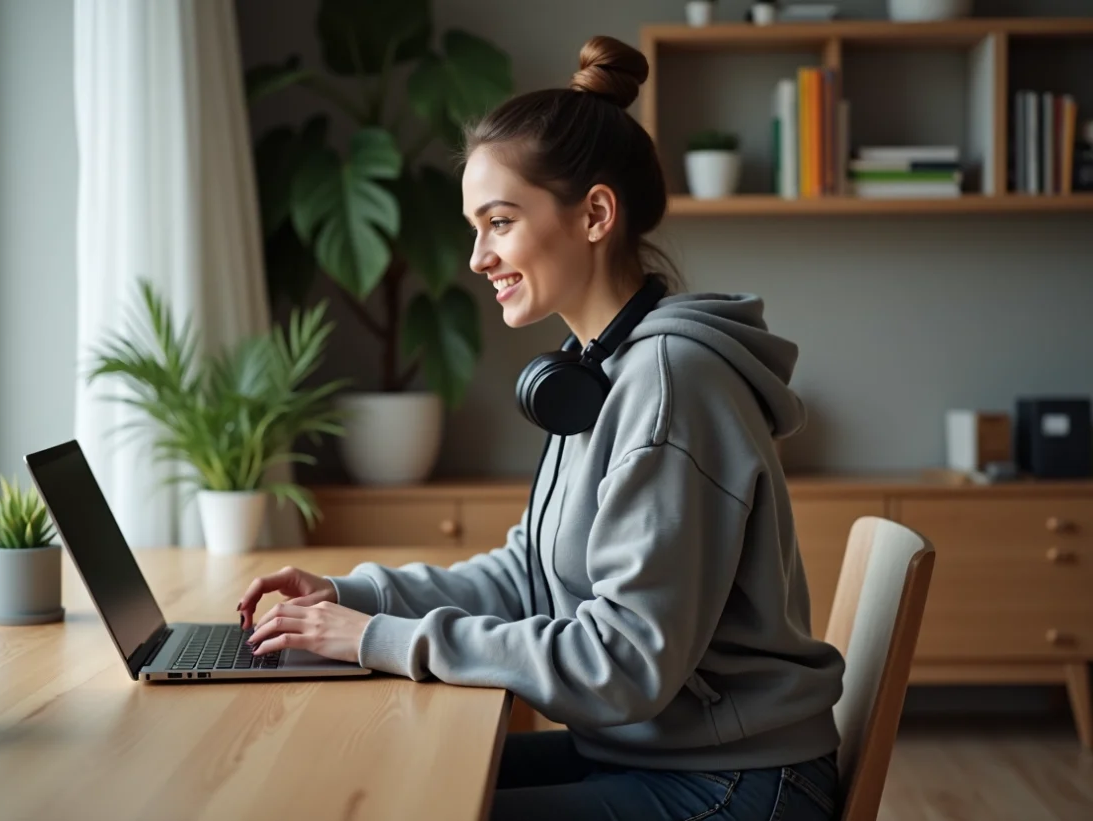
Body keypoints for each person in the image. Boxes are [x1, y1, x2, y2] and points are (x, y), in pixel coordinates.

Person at [237, 34, 845, 821]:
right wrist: (352, 597)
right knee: (389, 781)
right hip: (653, 751)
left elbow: (623, 661)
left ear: (594, 213)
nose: (477, 257)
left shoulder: (667, 387)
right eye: (474, 227)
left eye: (498, 222)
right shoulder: (596, 369)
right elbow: (527, 576)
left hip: (733, 781)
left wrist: (373, 637)